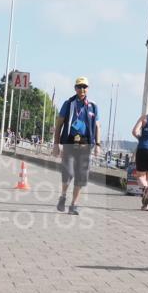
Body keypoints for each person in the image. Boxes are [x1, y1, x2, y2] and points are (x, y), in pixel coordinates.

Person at [53, 77, 101, 215]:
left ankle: (73, 205)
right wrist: (56, 144)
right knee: (68, 173)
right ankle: (63, 196)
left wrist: (98, 144)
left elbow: (97, 126)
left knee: (81, 177)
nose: (82, 89)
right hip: (70, 142)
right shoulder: (68, 104)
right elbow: (59, 124)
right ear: (75, 88)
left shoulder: (93, 106)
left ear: (88, 88)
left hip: (85, 144)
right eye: (79, 87)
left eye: (84, 87)